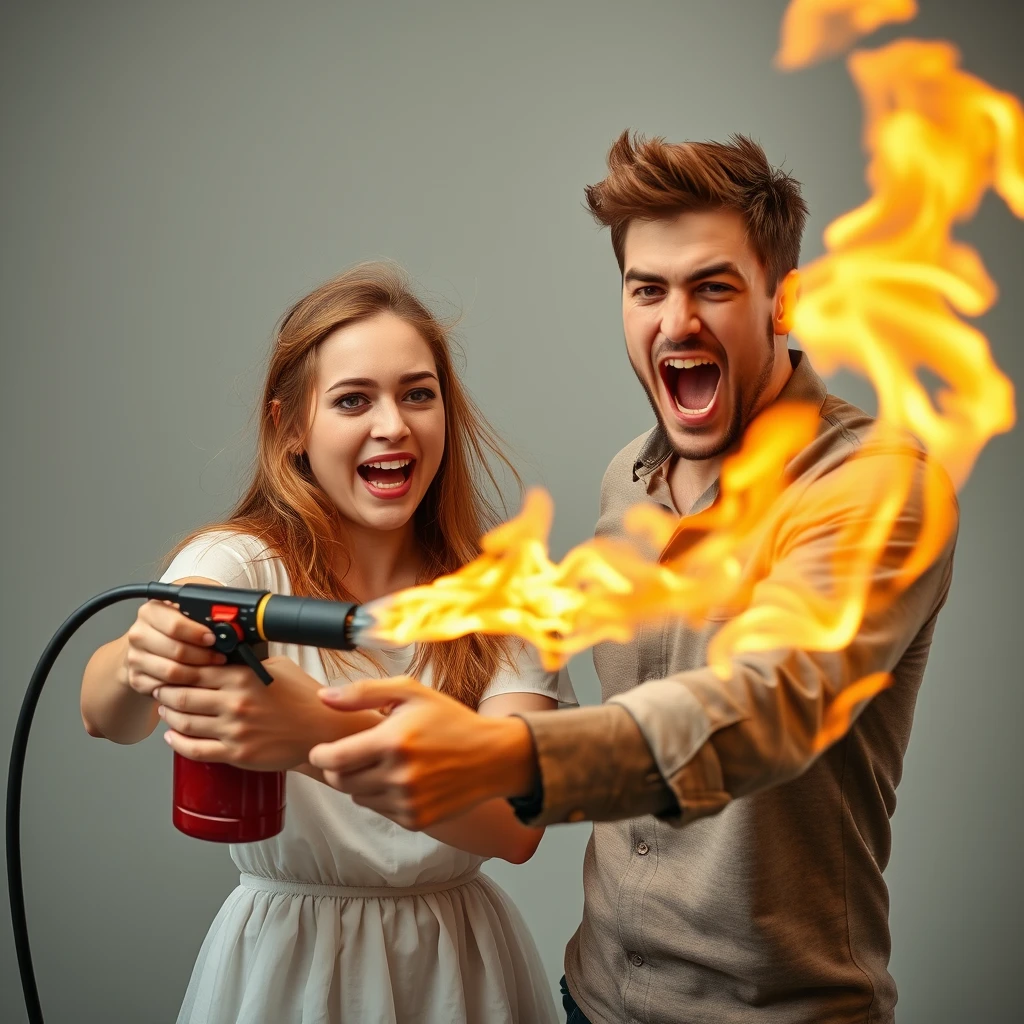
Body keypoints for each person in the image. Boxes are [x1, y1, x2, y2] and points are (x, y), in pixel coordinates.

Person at [305, 133, 960, 1024]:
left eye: (714, 286)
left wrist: (507, 755)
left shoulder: (876, 486)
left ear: (783, 300)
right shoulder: (628, 481)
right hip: (597, 1000)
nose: (675, 321)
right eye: (647, 288)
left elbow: (765, 706)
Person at [79, 262, 573, 1024]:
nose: (394, 425)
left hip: (462, 971)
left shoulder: (505, 594)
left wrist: (320, 732)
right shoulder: (236, 566)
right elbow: (108, 717)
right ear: (292, 427)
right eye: (353, 400)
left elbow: (513, 825)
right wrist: (132, 659)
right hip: (284, 966)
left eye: (418, 393)